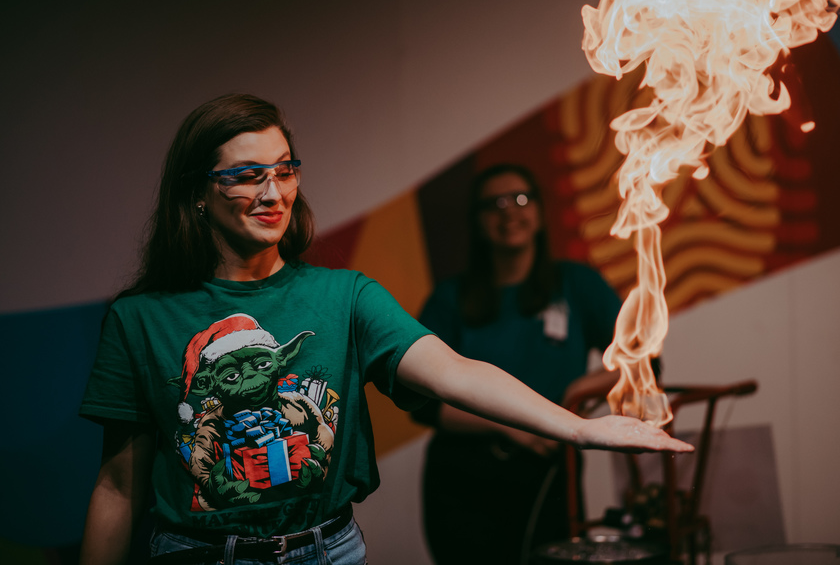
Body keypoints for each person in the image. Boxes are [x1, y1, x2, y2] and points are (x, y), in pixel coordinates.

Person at [79, 94, 691, 565]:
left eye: (285, 170)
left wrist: (580, 430)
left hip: (327, 550)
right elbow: (117, 484)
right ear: (197, 195)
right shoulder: (141, 318)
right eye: (246, 175)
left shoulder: (345, 296)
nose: (273, 192)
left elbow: (454, 372)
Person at [413, 163, 658, 564]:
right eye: (494, 204)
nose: (509, 211)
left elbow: (643, 362)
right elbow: (422, 402)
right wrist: (518, 426)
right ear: (477, 221)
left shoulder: (576, 283)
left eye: (520, 199)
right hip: (462, 477)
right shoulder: (449, 298)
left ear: (540, 213)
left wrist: (577, 393)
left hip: (547, 468)